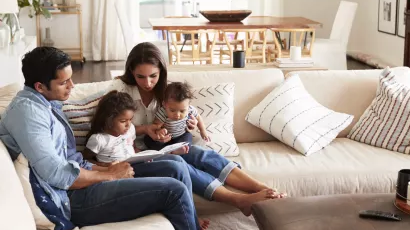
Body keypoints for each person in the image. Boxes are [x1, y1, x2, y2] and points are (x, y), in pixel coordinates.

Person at [0, 47, 253, 230]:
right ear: (40, 85)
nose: (72, 86)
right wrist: (109, 175)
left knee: (175, 165)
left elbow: (70, 160)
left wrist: (107, 167)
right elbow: (58, 175)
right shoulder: (29, 114)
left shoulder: (45, 102)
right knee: (175, 191)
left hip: (82, 180)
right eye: (64, 82)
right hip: (68, 201)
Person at [109, 42, 286, 216]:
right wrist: (146, 129)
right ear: (131, 72)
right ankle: (238, 200)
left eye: (153, 76)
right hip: (135, 153)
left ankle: (263, 188)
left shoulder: (167, 92)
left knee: (197, 153)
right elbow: (109, 127)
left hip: (164, 145)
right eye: (141, 76)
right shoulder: (120, 91)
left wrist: (190, 124)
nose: (148, 83)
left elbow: (183, 115)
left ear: (161, 71)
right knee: (180, 163)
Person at [85, 89, 210, 230]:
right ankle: (190, 220)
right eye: (123, 121)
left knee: (177, 162)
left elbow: (131, 146)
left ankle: (191, 216)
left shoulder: (130, 129)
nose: (128, 125)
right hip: (119, 173)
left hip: (135, 164)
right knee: (172, 176)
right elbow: (86, 159)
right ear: (108, 119)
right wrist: (106, 167)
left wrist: (141, 155)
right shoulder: (99, 139)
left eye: (130, 120)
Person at [145, 81, 210, 153]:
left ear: (188, 105)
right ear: (164, 104)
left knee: (187, 139)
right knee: (148, 140)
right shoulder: (163, 112)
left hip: (181, 135)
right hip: (166, 137)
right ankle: (168, 151)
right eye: (172, 110)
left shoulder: (190, 109)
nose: (177, 115)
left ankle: (177, 150)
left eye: (182, 111)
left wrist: (202, 131)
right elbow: (156, 125)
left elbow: (198, 117)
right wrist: (159, 132)